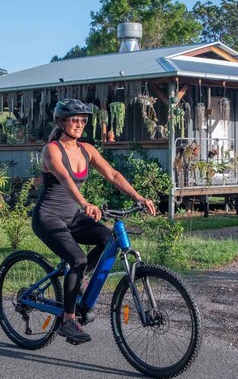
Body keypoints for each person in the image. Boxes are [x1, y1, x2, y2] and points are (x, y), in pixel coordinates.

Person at [32, 99, 156, 344]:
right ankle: (68, 321)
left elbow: (113, 174)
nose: (79, 124)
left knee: (107, 238)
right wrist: (84, 203)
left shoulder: (87, 149)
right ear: (62, 122)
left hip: (72, 217)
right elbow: (65, 178)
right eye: (74, 120)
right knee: (77, 259)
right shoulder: (52, 150)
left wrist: (139, 197)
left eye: (83, 120)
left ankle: (79, 278)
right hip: (48, 217)